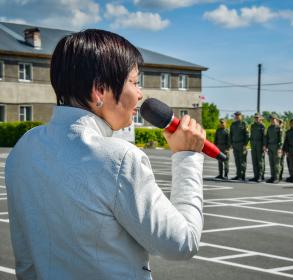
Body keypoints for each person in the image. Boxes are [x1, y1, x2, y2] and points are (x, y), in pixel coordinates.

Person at [5, 29, 206, 280]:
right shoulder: (119, 158)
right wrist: (187, 157)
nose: (140, 93)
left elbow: (26, 257)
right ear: (99, 90)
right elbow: (182, 243)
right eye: (133, 81)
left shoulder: (25, 147)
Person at [230, 111, 249, 180]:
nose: (237, 116)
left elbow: (247, 135)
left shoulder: (244, 124)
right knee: (237, 160)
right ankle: (238, 175)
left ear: (241, 116)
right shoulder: (233, 124)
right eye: (236, 115)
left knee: (242, 160)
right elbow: (231, 134)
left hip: (242, 144)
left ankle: (242, 175)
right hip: (235, 144)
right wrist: (231, 143)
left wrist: (245, 145)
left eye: (238, 115)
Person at [264, 114, 284, 183]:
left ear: (276, 119)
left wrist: (279, 148)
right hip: (270, 147)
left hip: (276, 147)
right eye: (271, 119)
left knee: (276, 163)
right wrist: (266, 146)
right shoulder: (269, 128)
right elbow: (267, 137)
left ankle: (277, 178)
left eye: (273, 119)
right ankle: (272, 177)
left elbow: (281, 139)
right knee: (271, 163)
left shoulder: (279, 128)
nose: (272, 120)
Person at [249, 113, 266, 182]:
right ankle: (255, 176)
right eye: (255, 118)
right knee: (254, 161)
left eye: (257, 118)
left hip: (260, 144)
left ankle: (260, 176)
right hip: (253, 144)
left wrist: (264, 145)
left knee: (260, 161)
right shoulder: (252, 126)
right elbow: (251, 135)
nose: (256, 119)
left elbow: (264, 137)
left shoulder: (262, 126)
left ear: (260, 118)